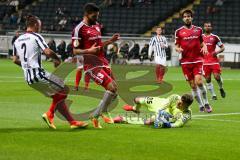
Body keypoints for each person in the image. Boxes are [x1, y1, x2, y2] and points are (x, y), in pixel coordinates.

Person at [12, 15, 88, 129]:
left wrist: (26, 66)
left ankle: (73, 122)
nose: (40, 28)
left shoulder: (17, 40)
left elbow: (15, 60)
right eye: (40, 25)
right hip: (38, 74)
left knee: (58, 96)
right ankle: (49, 114)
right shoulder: (36, 36)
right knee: (64, 89)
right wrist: (57, 59)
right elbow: (47, 52)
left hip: (28, 78)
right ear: (36, 25)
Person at [72, 3, 120, 128]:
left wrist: (111, 41)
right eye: (94, 15)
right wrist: (88, 51)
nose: (96, 18)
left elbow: (98, 45)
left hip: (102, 60)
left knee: (115, 90)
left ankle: (98, 114)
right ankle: (99, 114)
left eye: (97, 15)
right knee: (111, 88)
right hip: (91, 63)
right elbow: (75, 51)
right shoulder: (79, 29)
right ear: (87, 14)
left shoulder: (97, 26)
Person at [175, 9, 212, 113]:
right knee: (192, 85)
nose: (187, 18)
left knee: (199, 82)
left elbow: (202, 42)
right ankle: (200, 105)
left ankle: (206, 103)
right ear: (183, 18)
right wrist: (178, 49)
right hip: (185, 62)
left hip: (197, 60)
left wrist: (204, 47)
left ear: (192, 17)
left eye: (189, 16)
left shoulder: (198, 30)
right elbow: (176, 46)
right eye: (185, 16)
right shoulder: (178, 31)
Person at [114, 94, 193, 128]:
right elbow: (163, 107)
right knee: (137, 100)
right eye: (179, 101)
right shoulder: (175, 97)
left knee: (149, 122)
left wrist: (167, 125)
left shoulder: (187, 114)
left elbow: (178, 124)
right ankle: (135, 109)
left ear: (187, 105)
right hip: (160, 103)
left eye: (181, 104)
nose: (178, 104)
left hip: (168, 115)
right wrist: (158, 114)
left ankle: (123, 119)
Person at [202, 22, 225, 100]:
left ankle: (221, 88)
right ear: (204, 27)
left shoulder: (215, 37)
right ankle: (213, 95)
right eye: (206, 26)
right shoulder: (200, 37)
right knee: (208, 79)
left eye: (209, 26)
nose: (208, 27)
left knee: (217, 77)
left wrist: (216, 52)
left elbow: (222, 48)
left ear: (211, 28)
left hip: (214, 61)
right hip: (204, 62)